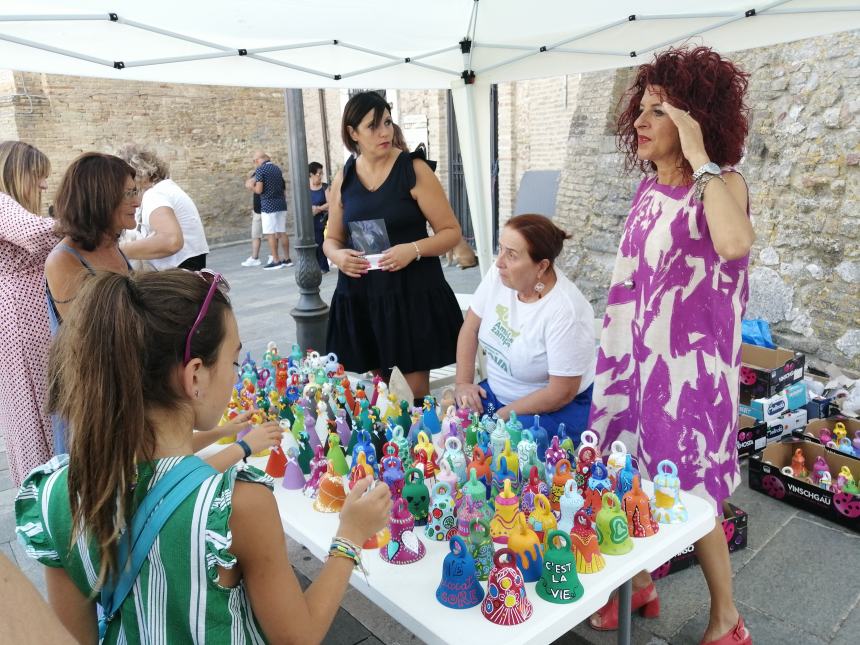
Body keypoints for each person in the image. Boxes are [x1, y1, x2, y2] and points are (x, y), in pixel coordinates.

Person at [16, 269, 392, 643]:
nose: (235, 373)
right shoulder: (240, 505)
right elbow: (299, 636)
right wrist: (350, 535)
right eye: (233, 360)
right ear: (195, 375)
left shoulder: (58, 494)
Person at [587, 47, 754, 645]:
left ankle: (728, 618)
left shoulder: (720, 183)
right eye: (643, 107)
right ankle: (638, 587)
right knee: (626, 471)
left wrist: (702, 155)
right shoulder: (647, 189)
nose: (639, 120)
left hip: (691, 374)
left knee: (691, 490)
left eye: (658, 111)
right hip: (633, 363)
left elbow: (734, 245)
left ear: (693, 118)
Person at [323, 91, 463, 400]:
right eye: (373, 125)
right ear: (352, 132)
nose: (385, 131)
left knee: (411, 399)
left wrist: (412, 249)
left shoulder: (413, 169)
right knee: (381, 398)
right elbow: (331, 238)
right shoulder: (343, 178)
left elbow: (451, 232)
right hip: (362, 298)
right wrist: (337, 255)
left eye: (387, 122)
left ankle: (417, 447)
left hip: (409, 297)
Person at [454, 214, 595, 442]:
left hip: (552, 408)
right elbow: (470, 329)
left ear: (541, 266)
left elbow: (561, 393)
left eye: (511, 255)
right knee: (454, 427)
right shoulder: (500, 275)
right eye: (500, 249)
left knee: (506, 450)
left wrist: (503, 415)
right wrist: (463, 384)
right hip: (498, 394)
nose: (499, 262)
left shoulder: (566, 312)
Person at [44, 152, 140, 453]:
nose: (137, 201)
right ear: (100, 197)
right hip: (96, 398)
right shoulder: (63, 260)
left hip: (127, 384)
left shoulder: (113, 246)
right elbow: (91, 336)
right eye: (129, 193)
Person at [0, 141, 57, 486]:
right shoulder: (1, 203)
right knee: (33, 404)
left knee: (42, 401)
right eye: (38, 176)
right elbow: (37, 233)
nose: (43, 185)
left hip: (29, 316)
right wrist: (87, 216)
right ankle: (43, 489)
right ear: (17, 172)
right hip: (20, 319)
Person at [116, 144, 210, 271]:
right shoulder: (165, 189)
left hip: (179, 278)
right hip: (187, 274)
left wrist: (118, 251)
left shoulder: (155, 194)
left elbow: (171, 241)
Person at [252, 150, 292, 270]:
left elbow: (259, 190)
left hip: (268, 205)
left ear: (259, 159)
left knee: (270, 233)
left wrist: (251, 187)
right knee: (282, 231)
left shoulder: (260, 170)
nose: (255, 163)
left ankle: (276, 260)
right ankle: (287, 259)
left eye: (255, 161)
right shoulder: (276, 168)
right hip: (281, 204)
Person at [309, 161, 330, 273]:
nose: (321, 176)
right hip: (309, 220)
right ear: (311, 175)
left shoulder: (325, 187)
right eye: (319, 174)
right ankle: (314, 266)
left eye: (322, 173)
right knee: (311, 244)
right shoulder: (305, 188)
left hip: (321, 219)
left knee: (320, 242)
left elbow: (330, 203)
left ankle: (323, 267)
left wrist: (319, 208)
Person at [241, 168, 264, 266]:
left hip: (265, 209)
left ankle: (272, 257)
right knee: (255, 234)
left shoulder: (262, 174)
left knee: (272, 234)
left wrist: (252, 184)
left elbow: (249, 184)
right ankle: (255, 258)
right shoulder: (258, 174)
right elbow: (249, 183)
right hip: (257, 210)